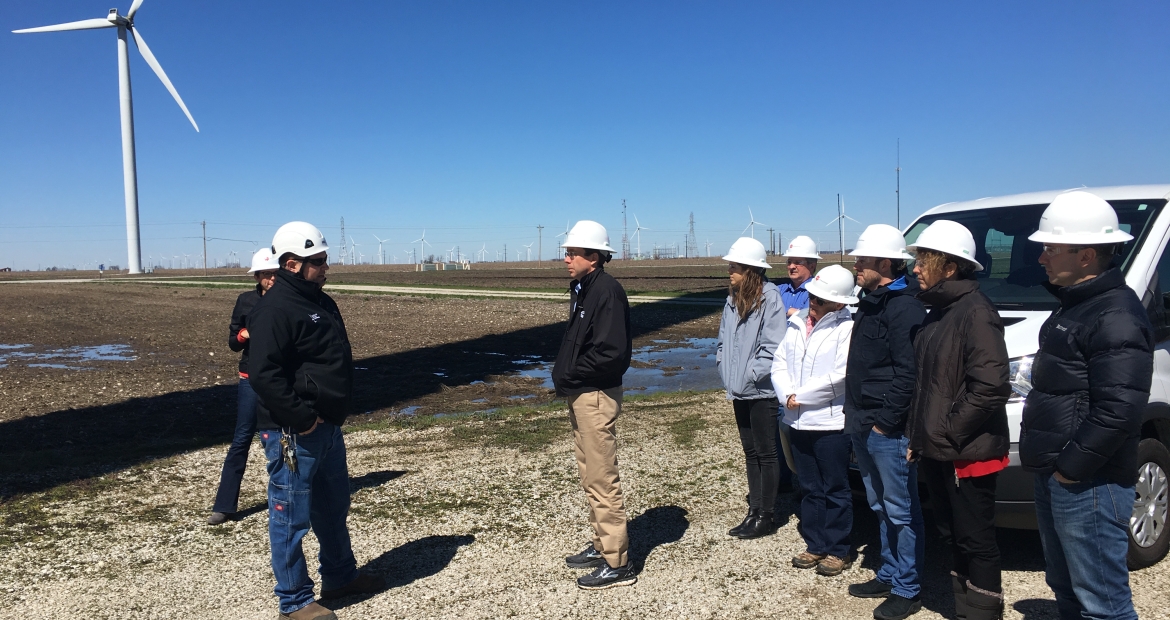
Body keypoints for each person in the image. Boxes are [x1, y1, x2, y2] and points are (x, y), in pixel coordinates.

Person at [1020, 191, 1153, 620]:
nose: (1041, 257)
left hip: (1088, 483)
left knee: (1103, 602)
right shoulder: (1076, 307)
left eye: (1050, 248)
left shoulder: (1115, 315)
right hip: (1059, 474)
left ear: (1086, 256)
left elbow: (1119, 409)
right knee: (1066, 587)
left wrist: (1070, 469)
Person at [248, 222, 384, 620]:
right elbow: (264, 375)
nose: (326, 267)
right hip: (294, 431)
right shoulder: (274, 309)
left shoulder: (319, 301)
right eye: (319, 261)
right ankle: (294, 601)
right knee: (291, 516)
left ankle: (340, 576)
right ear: (292, 264)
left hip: (326, 426)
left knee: (332, 506)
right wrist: (302, 419)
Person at [906, 220, 1011, 620]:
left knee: (976, 540)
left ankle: (983, 614)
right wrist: (924, 434)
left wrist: (947, 430)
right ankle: (965, 612)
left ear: (949, 267)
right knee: (952, 535)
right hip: (940, 449)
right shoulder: (940, 311)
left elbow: (990, 386)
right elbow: (930, 386)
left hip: (968, 453)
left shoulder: (976, 313)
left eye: (923, 260)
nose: (915, 268)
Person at [843, 224, 928, 620]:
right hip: (862, 422)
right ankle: (890, 572)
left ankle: (908, 588)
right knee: (878, 505)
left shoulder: (904, 307)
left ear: (884, 262)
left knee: (901, 509)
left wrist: (886, 424)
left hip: (886, 429)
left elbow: (908, 373)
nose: (855, 265)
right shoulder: (872, 300)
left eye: (861, 259)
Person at [552, 220, 636, 590]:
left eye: (572, 253)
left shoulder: (607, 292)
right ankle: (602, 544)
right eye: (567, 252)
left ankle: (617, 562)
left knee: (602, 479)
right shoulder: (584, 289)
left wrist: (569, 376)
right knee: (590, 474)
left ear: (594, 256)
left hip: (594, 395)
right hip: (581, 392)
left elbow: (612, 354)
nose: (566, 259)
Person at [772, 265, 857, 577]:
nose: (813, 303)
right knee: (809, 485)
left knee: (835, 486)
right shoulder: (796, 322)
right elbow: (780, 362)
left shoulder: (847, 329)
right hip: (796, 419)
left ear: (839, 303)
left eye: (820, 299)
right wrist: (786, 394)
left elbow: (842, 374)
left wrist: (802, 396)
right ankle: (816, 543)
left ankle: (838, 549)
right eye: (812, 297)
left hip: (829, 422)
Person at [717, 237, 786, 540]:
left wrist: (750, 375)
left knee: (766, 452)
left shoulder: (770, 298)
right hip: (738, 389)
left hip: (761, 390)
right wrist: (726, 369)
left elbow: (773, 346)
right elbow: (723, 341)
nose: (729, 270)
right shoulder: (732, 299)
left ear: (751, 269)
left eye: (734, 266)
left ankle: (766, 515)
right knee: (749, 451)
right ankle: (753, 509)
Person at [208, 248, 279, 525]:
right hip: (250, 378)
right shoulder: (245, 301)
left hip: (278, 378)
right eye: (265, 274)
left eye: (274, 274)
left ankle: (285, 499)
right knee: (241, 440)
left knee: (278, 440)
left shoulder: (287, 301)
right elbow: (232, 343)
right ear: (257, 276)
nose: (270, 279)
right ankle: (224, 505)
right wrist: (243, 334)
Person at [777, 235, 820, 318]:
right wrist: (789, 311)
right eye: (789, 262)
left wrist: (779, 310)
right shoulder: (779, 290)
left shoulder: (816, 292)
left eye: (798, 262)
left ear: (812, 266)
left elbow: (809, 318)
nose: (791, 266)